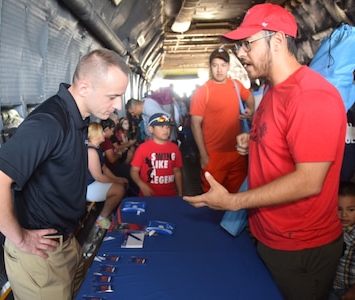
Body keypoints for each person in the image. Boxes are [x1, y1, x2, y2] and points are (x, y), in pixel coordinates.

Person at [183, 3, 346, 299]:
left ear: (278, 40)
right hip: (266, 235)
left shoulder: (310, 96)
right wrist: (254, 142)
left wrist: (233, 202)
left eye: (247, 44)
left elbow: (309, 180)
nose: (240, 54)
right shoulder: (271, 91)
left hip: (299, 248)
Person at [0, 48, 130, 299]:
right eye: (113, 96)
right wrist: (21, 239)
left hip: (66, 244)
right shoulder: (50, 122)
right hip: (41, 255)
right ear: (85, 88)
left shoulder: (78, 118)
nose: (119, 105)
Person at [190, 48, 255, 193]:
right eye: (215, 65)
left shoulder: (236, 85)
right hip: (213, 154)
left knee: (238, 196)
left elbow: (250, 97)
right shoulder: (203, 91)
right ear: (210, 67)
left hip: (237, 152)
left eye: (223, 65)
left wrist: (250, 110)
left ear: (229, 67)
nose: (219, 70)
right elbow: (195, 124)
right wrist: (204, 155)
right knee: (212, 197)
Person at [86, 122, 128, 229]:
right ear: (95, 134)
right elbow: (98, 176)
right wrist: (117, 181)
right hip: (89, 186)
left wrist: (117, 179)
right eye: (101, 132)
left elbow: (104, 168)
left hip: (94, 182)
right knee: (119, 190)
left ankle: (107, 215)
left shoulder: (97, 148)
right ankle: (101, 219)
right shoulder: (91, 151)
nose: (104, 134)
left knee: (122, 183)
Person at [130, 113, 183, 197]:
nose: (166, 130)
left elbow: (177, 172)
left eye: (168, 127)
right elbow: (134, 171)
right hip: (148, 196)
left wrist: (180, 194)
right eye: (161, 126)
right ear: (151, 129)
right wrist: (141, 185)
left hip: (169, 196)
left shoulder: (174, 148)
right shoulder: (143, 148)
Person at [100, 119, 139, 196]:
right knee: (132, 171)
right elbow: (112, 160)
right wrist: (119, 154)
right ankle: (135, 194)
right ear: (107, 129)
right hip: (113, 169)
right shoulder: (106, 141)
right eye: (111, 130)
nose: (112, 133)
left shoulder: (106, 140)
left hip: (113, 167)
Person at [330, 181, 355, 300]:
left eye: (351, 210)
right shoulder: (330, 228)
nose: (344, 215)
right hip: (331, 287)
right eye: (339, 209)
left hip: (350, 290)